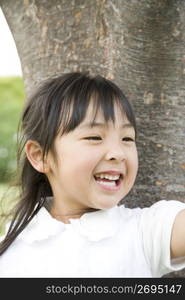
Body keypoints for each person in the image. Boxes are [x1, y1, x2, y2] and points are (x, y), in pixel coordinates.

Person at [0, 72, 185, 278]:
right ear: (40, 156)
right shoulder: (12, 250)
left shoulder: (146, 231)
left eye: (127, 138)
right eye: (95, 137)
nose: (118, 153)